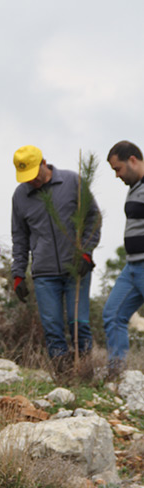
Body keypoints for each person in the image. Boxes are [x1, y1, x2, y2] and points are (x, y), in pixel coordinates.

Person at [11, 145, 101, 366]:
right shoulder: (20, 196)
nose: (31, 181)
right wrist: (18, 274)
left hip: (76, 269)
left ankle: (85, 372)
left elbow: (93, 218)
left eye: (34, 175)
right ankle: (63, 375)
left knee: (78, 323)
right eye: (26, 177)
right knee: (52, 329)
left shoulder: (72, 182)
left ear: (44, 163)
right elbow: (20, 238)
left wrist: (86, 254)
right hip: (44, 274)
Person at [102, 141, 144, 374]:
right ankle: (117, 374)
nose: (117, 175)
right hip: (132, 267)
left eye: (118, 169)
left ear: (133, 160)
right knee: (113, 314)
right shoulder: (134, 187)